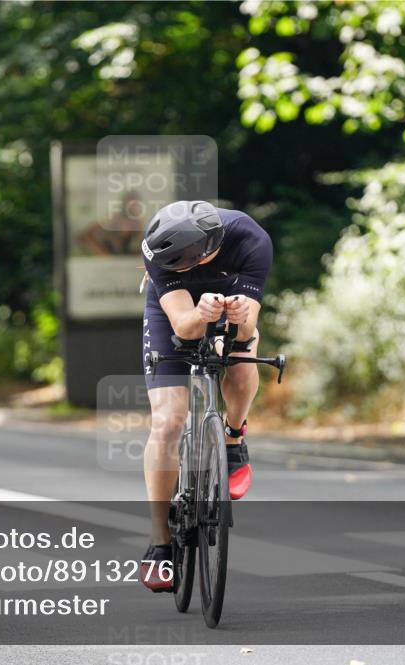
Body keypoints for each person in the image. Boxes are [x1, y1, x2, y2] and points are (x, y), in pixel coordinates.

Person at [137, 200, 273, 591]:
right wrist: (200, 314)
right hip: (176, 312)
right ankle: (160, 542)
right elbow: (183, 327)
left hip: (231, 301)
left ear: (204, 254)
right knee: (168, 420)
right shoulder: (159, 249)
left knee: (242, 360)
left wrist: (238, 319)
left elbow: (246, 337)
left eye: (181, 263)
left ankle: (233, 437)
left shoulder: (251, 241)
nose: (173, 267)